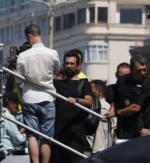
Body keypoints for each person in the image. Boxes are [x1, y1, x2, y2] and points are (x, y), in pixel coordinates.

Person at [16, 24, 60, 163]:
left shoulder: (23, 55)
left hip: (29, 97)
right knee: (46, 136)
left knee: (32, 135)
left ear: (29, 36)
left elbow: (18, 79)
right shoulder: (52, 53)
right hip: (48, 97)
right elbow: (56, 72)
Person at [54, 52, 93, 163]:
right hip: (59, 131)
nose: (69, 66)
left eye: (72, 63)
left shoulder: (83, 83)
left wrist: (76, 100)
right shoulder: (56, 83)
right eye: (67, 63)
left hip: (76, 132)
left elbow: (89, 101)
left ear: (78, 65)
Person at [106, 55, 150, 139]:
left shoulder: (148, 83)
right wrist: (110, 113)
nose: (143, 73)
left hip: (141, 129)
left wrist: (116, 113)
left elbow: (136, 107)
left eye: (144, 70)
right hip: (123, 128)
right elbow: (116, 100)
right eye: (139, 70)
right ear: (131, 69)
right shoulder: (122, 80)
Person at [89, 80, 114, 154]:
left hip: (99, 151)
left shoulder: (102, 108)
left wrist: (97, 151)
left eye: (90, 89)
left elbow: (100, 134)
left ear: (98, 92)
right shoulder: (108, 107)